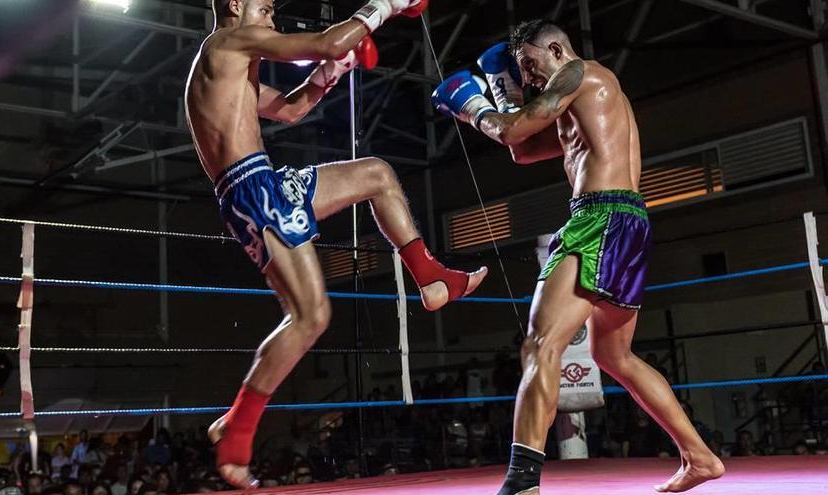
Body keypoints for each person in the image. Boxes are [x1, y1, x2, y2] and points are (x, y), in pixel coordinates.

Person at [184, 0, 486, 488]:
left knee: (378, 174)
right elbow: (328, 39)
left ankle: (431, 278)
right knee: (310, 317)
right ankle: (237, 432)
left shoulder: (232, 64)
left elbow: (290, 109)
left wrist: (328, 74)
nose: (273, 18)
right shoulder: (227, 42)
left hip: (263, 183)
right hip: (253, 191)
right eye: (264, 7)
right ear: (235, 4)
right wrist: (385, 5)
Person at [431, 19, 725, 494]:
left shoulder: (579, 73)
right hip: (627, 222)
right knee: (614, 355)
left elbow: (508, 132)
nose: (527, 77)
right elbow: (523, 151)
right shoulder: (581, 101)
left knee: (540, 343)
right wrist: (504, 95)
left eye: (529, 65)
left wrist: (471, 107)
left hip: (599, 218)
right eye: (521, 71)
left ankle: (522, 482)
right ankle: (701, 456)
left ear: (555, 49)